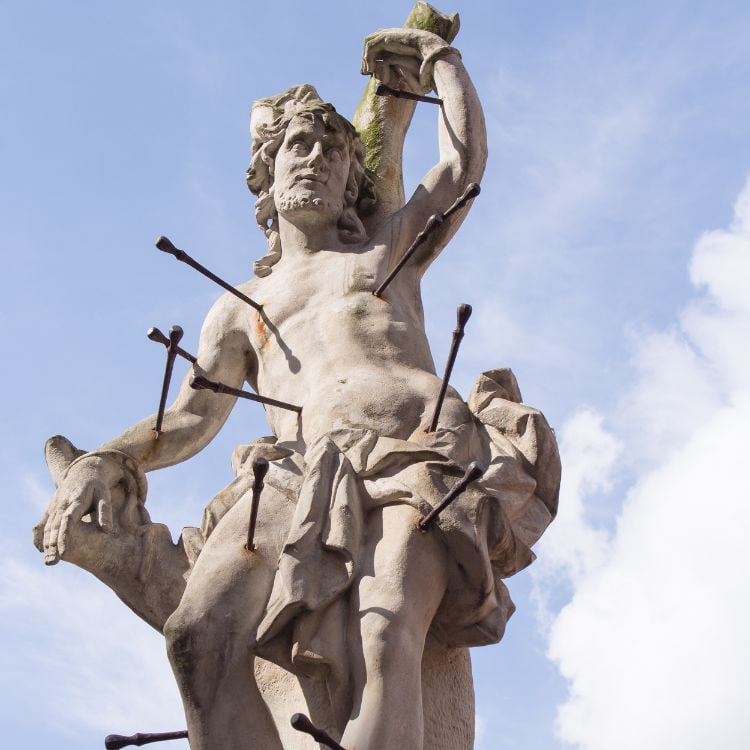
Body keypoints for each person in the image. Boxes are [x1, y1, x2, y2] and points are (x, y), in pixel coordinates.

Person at [34, 27, 559, 750]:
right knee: (196, 637)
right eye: (297, 148)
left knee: (384, 634)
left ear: (353, 178)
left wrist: (442, 64)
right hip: (291, 478)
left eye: (334, 150)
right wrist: (108, 457)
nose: (315, 159)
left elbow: (463, 168)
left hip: (412, 459)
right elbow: (189, 418)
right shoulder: (240, 305)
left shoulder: (387, 250)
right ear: (267, 173)